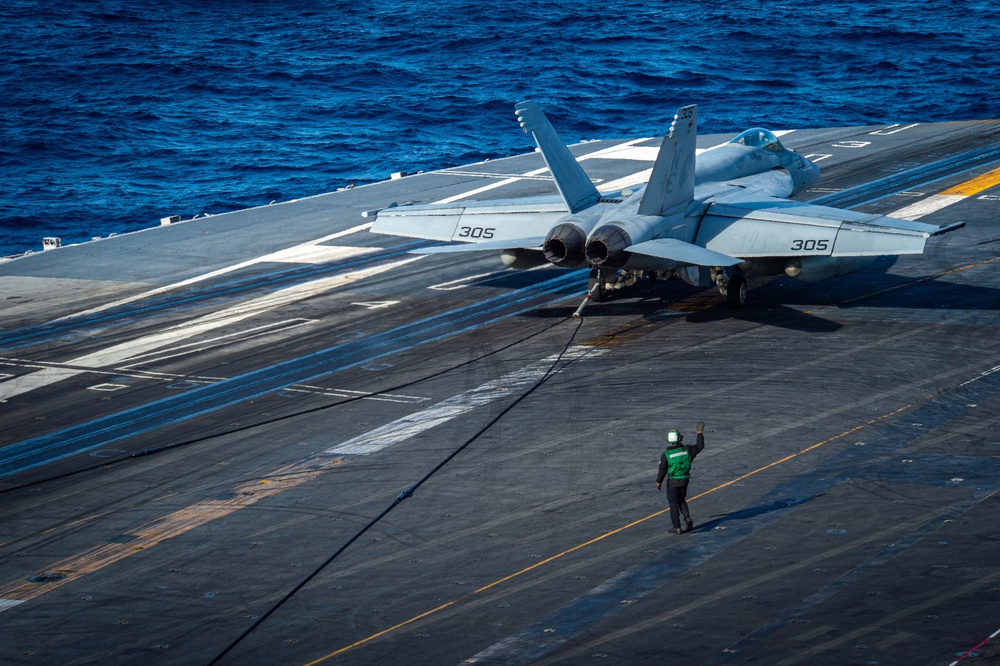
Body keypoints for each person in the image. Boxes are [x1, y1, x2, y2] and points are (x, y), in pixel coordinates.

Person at [656, 421, 705, 534]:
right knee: (681, 499)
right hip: (684, 480)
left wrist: (658, 482)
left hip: (673, 482)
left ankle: (677, 527)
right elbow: (700, 446)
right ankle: (687, 517)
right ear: (679, 439)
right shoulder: (687, 450)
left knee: (673, 503)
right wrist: (699, 432)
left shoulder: (666, 455)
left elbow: (662, 470)